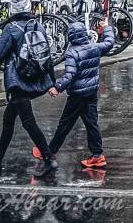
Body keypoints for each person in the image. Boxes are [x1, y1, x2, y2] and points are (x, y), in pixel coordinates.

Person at [0, 0, 56, 175]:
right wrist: (51, 81)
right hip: (34, 77)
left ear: (13, 10)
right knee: (8, 120)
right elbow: (47, 55)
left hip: (18, 81)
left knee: (28, 122)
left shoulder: (11, 29)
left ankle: (48, 159)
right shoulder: (38, 25)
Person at [34, 20, 116, 169]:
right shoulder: (95, 47)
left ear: (70, 37)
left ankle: (49, 151)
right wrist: (106, 28)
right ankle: (97, 155)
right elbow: (110, 42)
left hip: (77, 95)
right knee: (92, 124)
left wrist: (57, 87)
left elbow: (70, 74)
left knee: (64, 124)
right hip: (91, 92)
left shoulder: (72, 52)